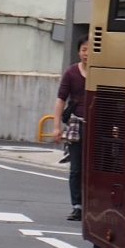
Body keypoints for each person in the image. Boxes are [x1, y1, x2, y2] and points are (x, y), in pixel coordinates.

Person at [53, 38, 88, 222]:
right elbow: (61, 99)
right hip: (76, 124)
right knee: (76, 168)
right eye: (83, 49)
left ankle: (93, 205)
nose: (87, 53)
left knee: (95, 169)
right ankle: (77, 206)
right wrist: (56, 126)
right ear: (78, 52)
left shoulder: (103, 73)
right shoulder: (71, 72)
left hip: (97, 126)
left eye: (90, 49)